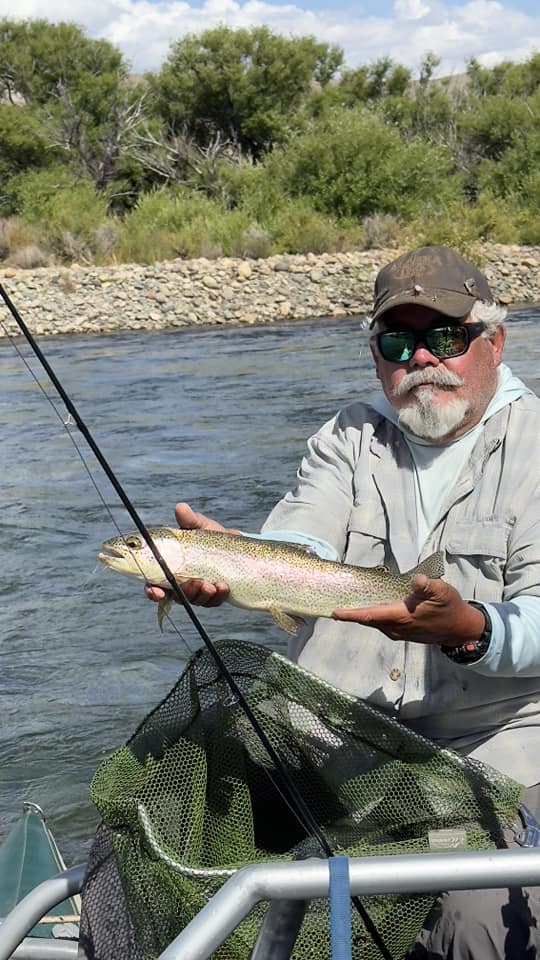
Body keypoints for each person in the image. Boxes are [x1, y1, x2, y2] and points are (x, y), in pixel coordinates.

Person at [147, 245, 540, 958]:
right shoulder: (344, 439)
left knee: (477, 919)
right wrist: (229, 564)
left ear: (493, 342)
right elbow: (302, 541)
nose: (422, 358)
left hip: (497, 755)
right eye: (398, 341)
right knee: (166, 821)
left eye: (445, 336)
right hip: (334, 739)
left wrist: (471, 630)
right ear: (376, 355)